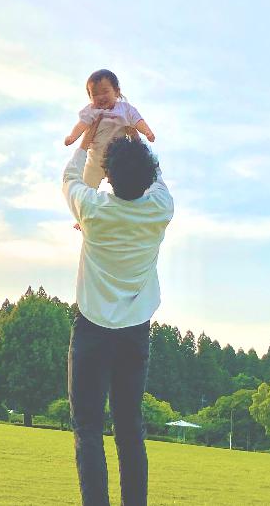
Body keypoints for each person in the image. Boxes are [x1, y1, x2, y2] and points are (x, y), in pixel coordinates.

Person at [62, 113, 173, 506]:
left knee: (88, 429)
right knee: (129, 429)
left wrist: (87, 142)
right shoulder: (161, 209)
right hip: (135, 333)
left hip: (92, 329)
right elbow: (157, 174)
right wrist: (137, 138)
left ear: (107, 176)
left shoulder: (93, 211)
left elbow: (70, 180)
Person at [64, 69, 156, 191]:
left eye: (105, 91)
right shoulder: (92, 111)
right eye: (95, 94)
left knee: (129, 186)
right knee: (86, 187)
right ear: (90, 97)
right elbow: (81, 124)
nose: (100, 97)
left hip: (118, 161)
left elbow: (138, 120)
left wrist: (147, 132)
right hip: (95, 161)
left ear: (117, 92)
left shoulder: (125, 109)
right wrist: (72, 137)